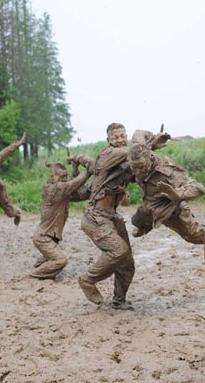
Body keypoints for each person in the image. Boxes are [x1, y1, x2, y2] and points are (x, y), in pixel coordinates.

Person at [77, 123, 169, 310]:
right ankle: (87, 280)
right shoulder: (107, 155)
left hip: (113, 217)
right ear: (108, 141)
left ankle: (119, 300)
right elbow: (133, 152)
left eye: (122, 136)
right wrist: (148, 144)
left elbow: (140, 164)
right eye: (115, 137)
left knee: (127, 264)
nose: (119, 140)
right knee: (117, 251)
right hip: (96, 217)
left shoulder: (128, 161)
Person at [128, 142, 205, 245]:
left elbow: (199, 188)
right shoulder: (136, 157)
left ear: (151, 158)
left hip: (171, 208)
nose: (137, 171)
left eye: (141, 167)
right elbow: (139, 134)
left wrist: (178, 194)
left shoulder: (167, 172)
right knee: (138, 219)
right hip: (151, 202)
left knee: (194, 235)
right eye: (134, 167)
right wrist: (154, 139)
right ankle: (143, 226)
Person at [30, 160, 93, 279]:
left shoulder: (62, 190)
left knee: (49, 257)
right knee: (60, 260)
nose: (65, 179)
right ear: (52, 177)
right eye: (62, 176)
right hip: (44, 238)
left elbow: (76, 186)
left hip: (52, 237)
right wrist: (88, 171)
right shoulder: (55, 189)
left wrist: (75, 168)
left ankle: (40, 267)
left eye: (66, 176)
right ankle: (33, 276)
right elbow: (76, 182)